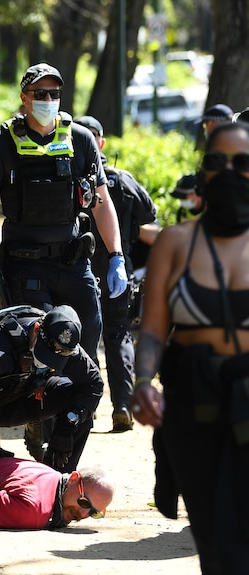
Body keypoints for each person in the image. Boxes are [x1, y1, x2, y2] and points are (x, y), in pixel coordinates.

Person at [131, 121, 249, 574]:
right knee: (214, 541)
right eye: (218, 162)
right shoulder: (175, 244)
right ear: (204, 174)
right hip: (193, 409)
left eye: (244, 163)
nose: (231, 172)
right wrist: (142, 380)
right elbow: (154, 329)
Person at [0, 63, 127, 363]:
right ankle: (46, 409)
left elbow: (102, 204)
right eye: (40, 93)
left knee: (86, 351)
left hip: (73, 265)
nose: (48, 100)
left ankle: (81, 411)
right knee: (40, 354)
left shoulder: (80, 140)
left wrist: (117, 256)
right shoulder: (1, 144)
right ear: (24, 98)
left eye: (54, 93)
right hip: (25, 266)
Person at [74, 115, 156, 432]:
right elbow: (149, 215)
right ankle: (122, 404)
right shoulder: (122, 180)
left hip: (79, 270)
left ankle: (86, 405)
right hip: (118, 269)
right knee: (118, 334)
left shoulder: (68, 177)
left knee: (82, 338)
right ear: (103, 143)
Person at [0, 304, 104, 471]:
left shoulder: (64, 342)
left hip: (23, 397)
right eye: (45, 352)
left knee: (80, 406)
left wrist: (68, 423)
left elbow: (93, 383)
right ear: (37, 329)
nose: (46, 362)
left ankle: (58, 480)